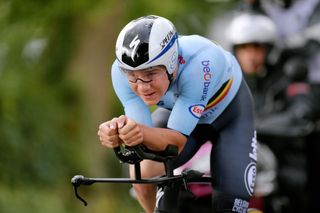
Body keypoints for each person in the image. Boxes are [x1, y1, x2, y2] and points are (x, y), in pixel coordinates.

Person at [98, 15, 256, 213]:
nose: (141, 87)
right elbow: (140, 136)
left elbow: (176, 142)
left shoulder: (201, 64)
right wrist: (119, 132)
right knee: (143, 173)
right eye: (133, 77)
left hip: (230, 117)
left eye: (150, 74)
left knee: (229, 205)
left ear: (172, 63)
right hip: (180, 113)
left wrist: (138, 132)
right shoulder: (121, 72)